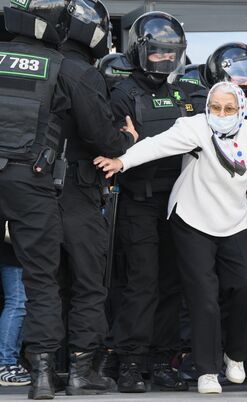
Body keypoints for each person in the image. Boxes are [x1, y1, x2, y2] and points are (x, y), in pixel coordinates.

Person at [94, 81, 247, 394]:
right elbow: (156, 145)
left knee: (246, 285)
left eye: (229, 108)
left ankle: (235, 356)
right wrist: (121, 161)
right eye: (216, 107)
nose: (221, 113)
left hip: (232, 221)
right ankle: (207, 370)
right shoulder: (193, 127)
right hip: (191, 218)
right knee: (204, 295)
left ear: (241, 109)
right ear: (208, 107)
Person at [104, 11, 204, 393]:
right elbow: (112, 143)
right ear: (141, 51)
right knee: (142, 283)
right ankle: (130, 360)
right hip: (138, 201)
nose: (165, 58)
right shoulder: (123, 91)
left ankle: (163, 358)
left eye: (171, 52)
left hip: (180, 202)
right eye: (159, 51)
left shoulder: (185, 91)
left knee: (172, 282)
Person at [55, 0, 139, 395]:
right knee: (89, 283)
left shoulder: (38, 64)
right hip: (77, 186)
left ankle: (44, 368)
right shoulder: (82, 73)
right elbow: (103, 137)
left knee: (46, 282)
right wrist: (127, 140)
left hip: (31, 189)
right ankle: (80, 369)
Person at [0, 0, 72, 398]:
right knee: (41, 280)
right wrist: (122, 143)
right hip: (30, 179)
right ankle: (42, 374)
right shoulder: (59, 65)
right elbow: (94, 126)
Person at [0, 231, 30, 386]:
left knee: (17, 303)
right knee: (17, 302)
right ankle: (6, 364)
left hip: (10, 249)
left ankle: (9, 362)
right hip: (13, 250)